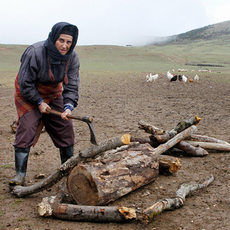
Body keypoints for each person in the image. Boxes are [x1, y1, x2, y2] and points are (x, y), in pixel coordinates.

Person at [9, 22, 80, 186]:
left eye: (69, 42)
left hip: (53, 94)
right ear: (54, 37)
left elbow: (72, 85)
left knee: (66, 127)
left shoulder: (72, 57)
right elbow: (25, 82)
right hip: (28, 93)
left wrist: (68, 107)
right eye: (61, 40)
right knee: (26, 127)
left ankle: (68, 172)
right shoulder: (35, 52)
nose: (64, 45)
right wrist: (39, 102)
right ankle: (19, 175)